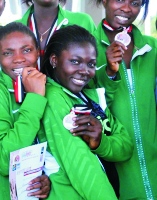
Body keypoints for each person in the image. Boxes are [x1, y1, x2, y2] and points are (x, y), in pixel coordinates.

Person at [38, 25, 133, 199]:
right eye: (75, 61)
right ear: (54, 60)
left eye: (91, 64)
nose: (84, 71)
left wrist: (100, 143)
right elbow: (81, 166)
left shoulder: (89, 97)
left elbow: (126, 146)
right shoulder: (53, 98)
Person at [90, 0, 156, 199]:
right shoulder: (87, 48)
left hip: (153, 159)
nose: (127, 8)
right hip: (114, 160)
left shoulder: (152, 48)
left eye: (135, 3)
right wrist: (108, 71)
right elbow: (90, 102)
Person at [0, 22, 51, 199]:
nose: (18, 59)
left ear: (38, 52)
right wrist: (35, 98)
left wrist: (46, 178)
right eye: (8, 53)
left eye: (27, 50)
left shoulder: (48, 87)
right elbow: (4, 160)